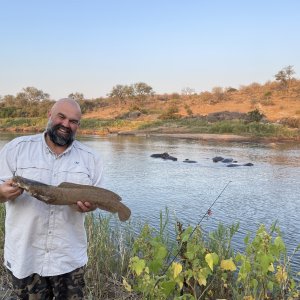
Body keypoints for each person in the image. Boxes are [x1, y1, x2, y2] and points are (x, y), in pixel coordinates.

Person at [0, 98, 104, 299]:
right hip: (25, 257)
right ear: (50, 115)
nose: (66, 124)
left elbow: (97, 198)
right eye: (61, 117)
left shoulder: (91, 158)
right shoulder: (16, 148)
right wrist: (2, 194)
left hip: (68, 259)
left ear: (78, 126)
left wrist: (90, 206)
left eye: (73, 121)